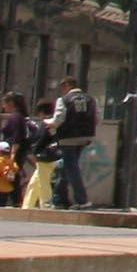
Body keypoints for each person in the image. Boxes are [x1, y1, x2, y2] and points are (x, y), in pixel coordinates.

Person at [45, 75, 97, 209]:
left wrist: (47, 122)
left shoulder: (63, 100)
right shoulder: (91, 99)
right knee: (65, 167)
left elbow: (58, 120)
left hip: (67, 137)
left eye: (62, 87)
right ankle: (59, 199)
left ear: (67, 86)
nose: (62, 91)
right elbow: (97, 117)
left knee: (72, 169)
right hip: (85, 137)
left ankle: (82, 200)